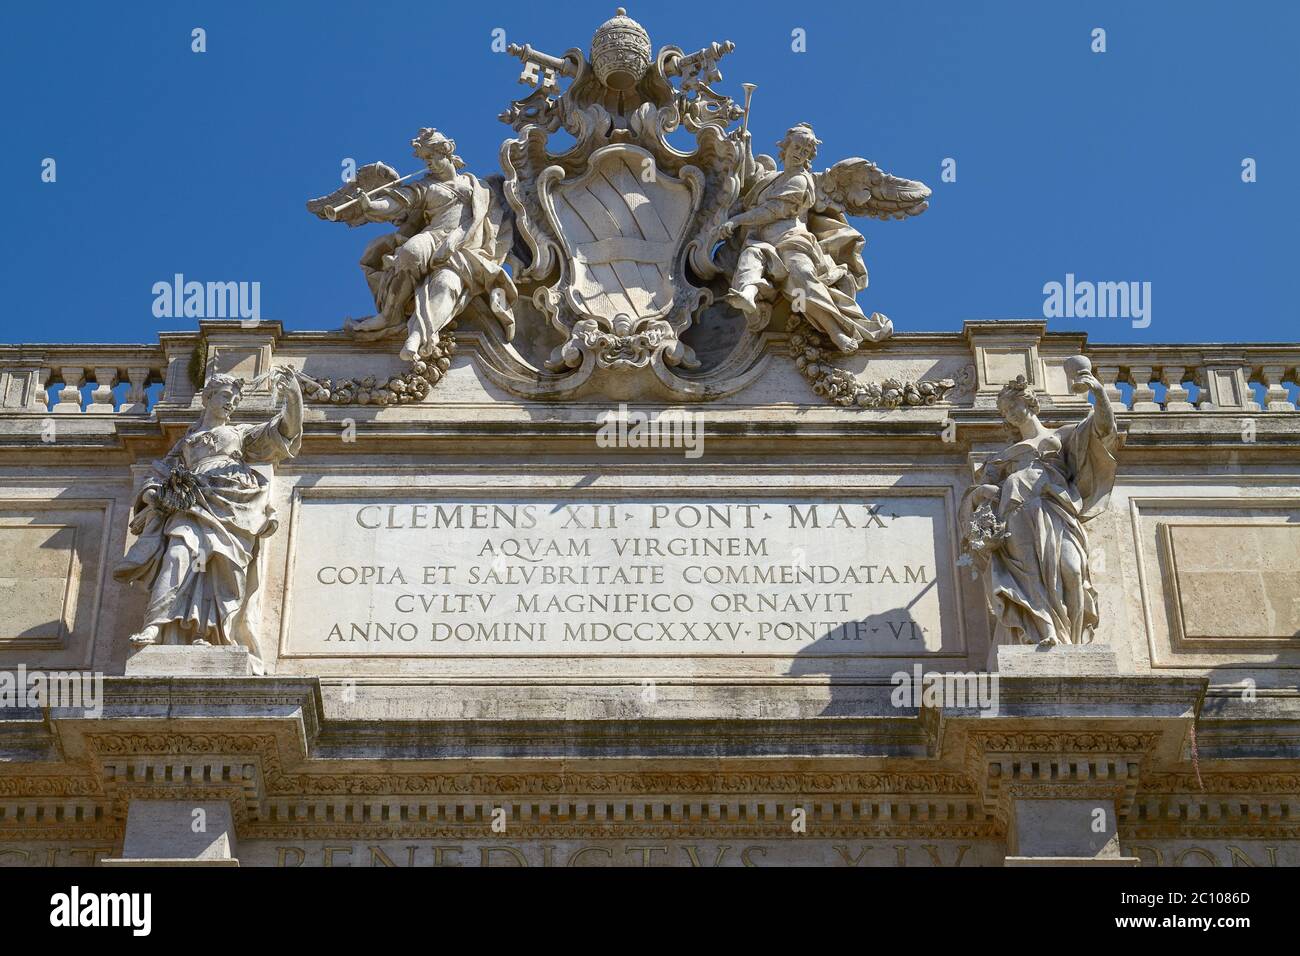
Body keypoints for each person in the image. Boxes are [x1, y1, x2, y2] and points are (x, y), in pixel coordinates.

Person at [114, 368, 302, 665]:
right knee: (178, 554)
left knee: (222, 567)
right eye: (226, 397)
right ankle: (156, 625)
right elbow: (160, 473)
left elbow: (283, 432)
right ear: (208, 398)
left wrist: (291, 396)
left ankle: (211, 631)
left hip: (231, 504)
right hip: (190, 501)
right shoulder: (188, 441)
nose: (231, 404)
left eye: (235, 400)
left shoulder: (240, 435)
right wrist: (153, 495)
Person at [961, 372, 1118, 646]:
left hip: (1055, 511)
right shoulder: (1000, 459)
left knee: (1073, 569)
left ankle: (1074, 639)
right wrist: (982, 494)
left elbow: (1103, 430)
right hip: (1016, 515)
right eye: (1004, 411)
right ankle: (1046, 633)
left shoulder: (1063, 436)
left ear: (1030, 403)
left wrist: (1099, 393)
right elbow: (975, 498)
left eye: (1012, 406)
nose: (1009, 414)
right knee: (1029, 577)